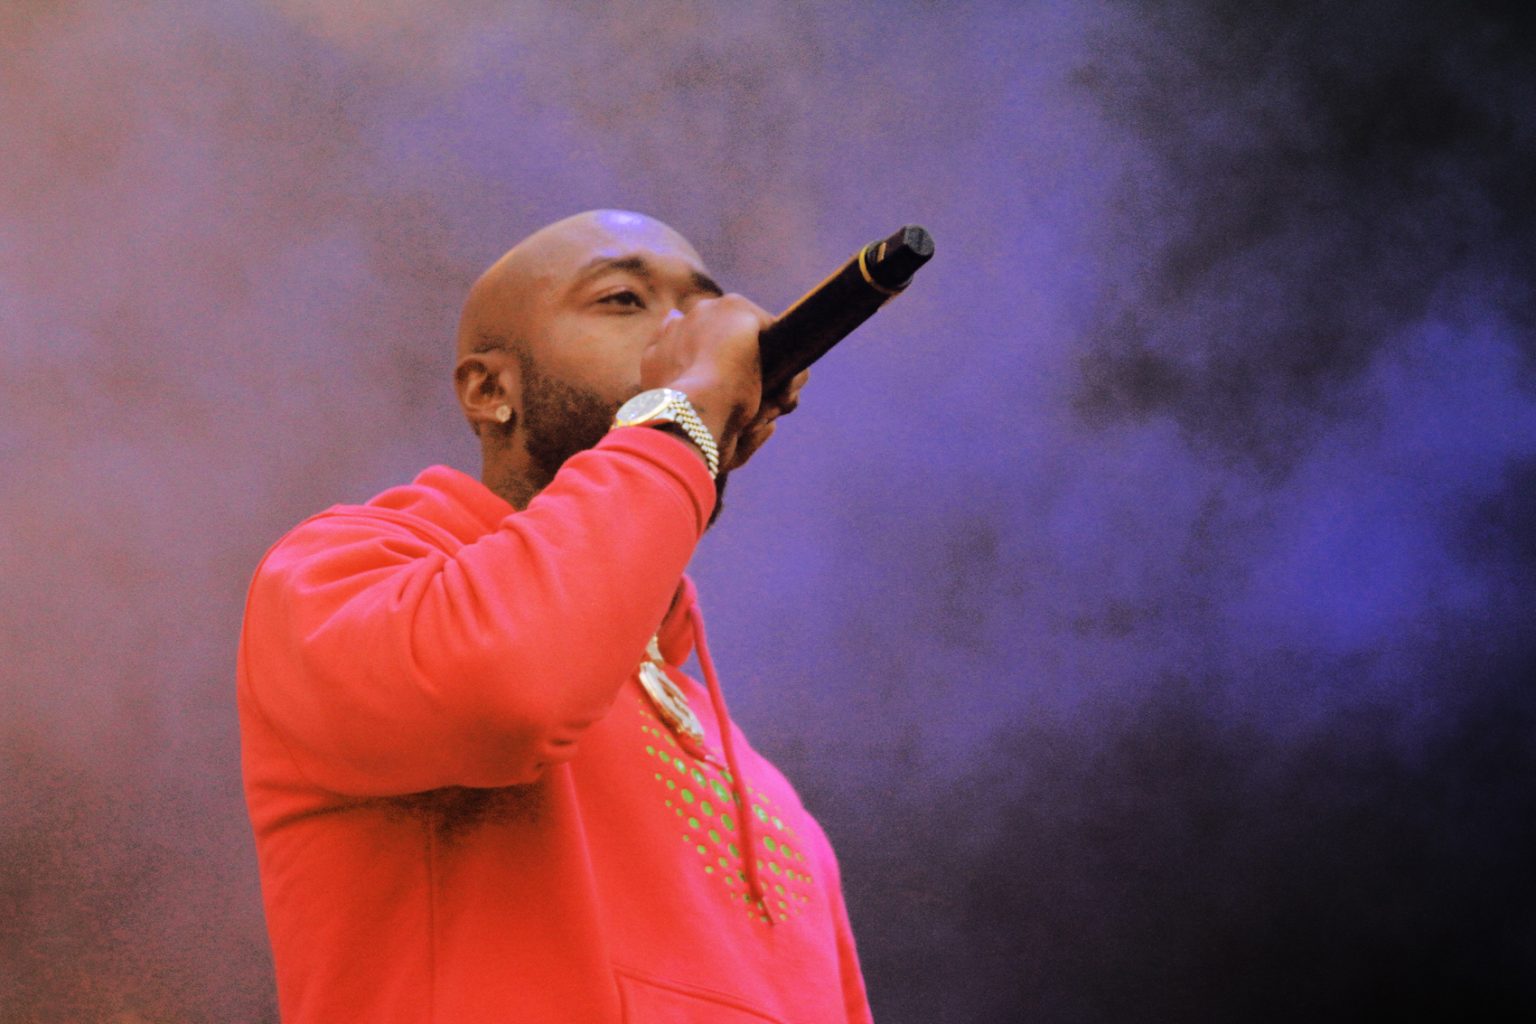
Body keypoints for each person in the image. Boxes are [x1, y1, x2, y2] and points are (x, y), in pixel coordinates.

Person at [237, 210, 874, 1023]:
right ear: (490, 390)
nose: (689, 335)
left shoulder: (769, 792)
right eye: (623, 299)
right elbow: (508, 686)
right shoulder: (339, 575)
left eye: (701, 309)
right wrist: (684, 409)